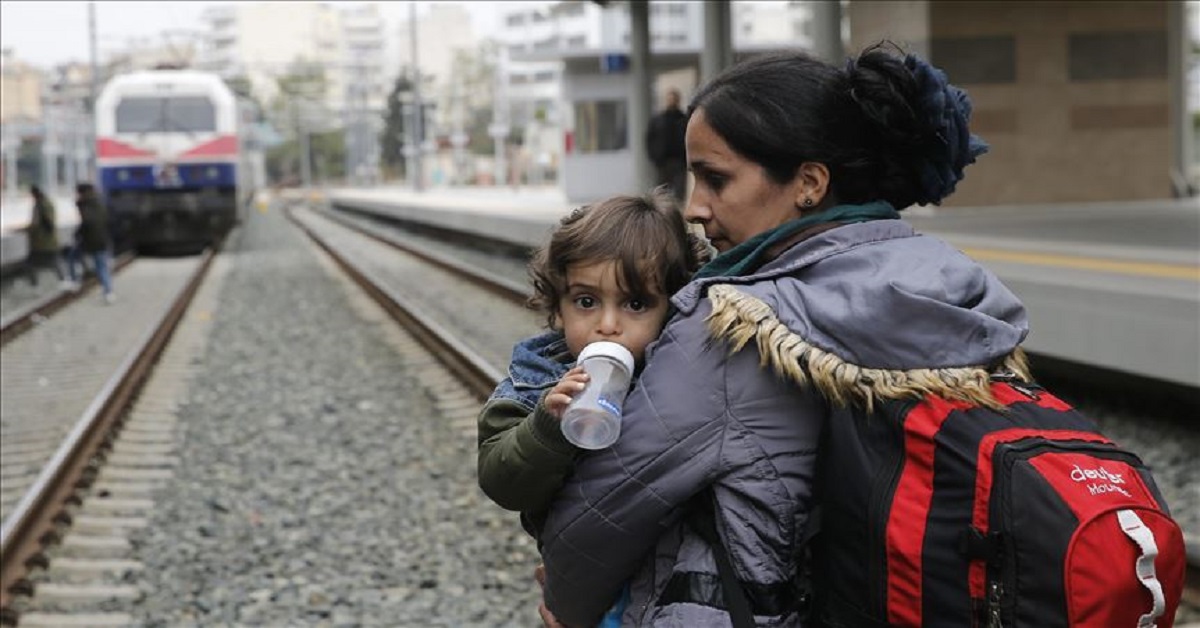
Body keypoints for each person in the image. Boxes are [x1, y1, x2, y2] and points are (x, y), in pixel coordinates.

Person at [536, 43, 1025, 627]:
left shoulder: (735, 326)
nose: (694, 208)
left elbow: (604, 511)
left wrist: (564, 606)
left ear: (809, 183)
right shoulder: (955, 288)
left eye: (715, 180)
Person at [477, 189, 709, 627]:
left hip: (663, 578)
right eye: (586, 302)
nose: (607, 324)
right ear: (559, 308)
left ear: (671, 308)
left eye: (635, 304)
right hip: (587, 581)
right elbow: (500, 481)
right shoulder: (536, 383)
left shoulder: (681, 375)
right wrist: (546, 426)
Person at [73, 182, 116, 304]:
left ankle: (75, 280)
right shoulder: (100, 202)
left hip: (91, 239)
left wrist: (78, 233)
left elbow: (87, 222)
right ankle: (108, 291)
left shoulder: (86, 205)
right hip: (101, 238)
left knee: (75, 257)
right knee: (100, 265)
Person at [645, 88, 689, 204]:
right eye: (670, 99)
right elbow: (650, 139)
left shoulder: (684, 119)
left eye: (674, 99)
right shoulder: (658, 120)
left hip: (680, 161)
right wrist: (654, 157)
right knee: (661, 193)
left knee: (679, 193)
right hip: (662, 163)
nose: (672, 101)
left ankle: (678, 216)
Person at [23, 185, 68, 288]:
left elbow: (36, 224)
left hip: (40, 241)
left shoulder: (39, 205)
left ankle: (35, 285)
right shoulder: (48, 203)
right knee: (55, 261)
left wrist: (26, 229)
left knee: (30, 264)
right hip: (51, 241)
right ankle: (63, 280)